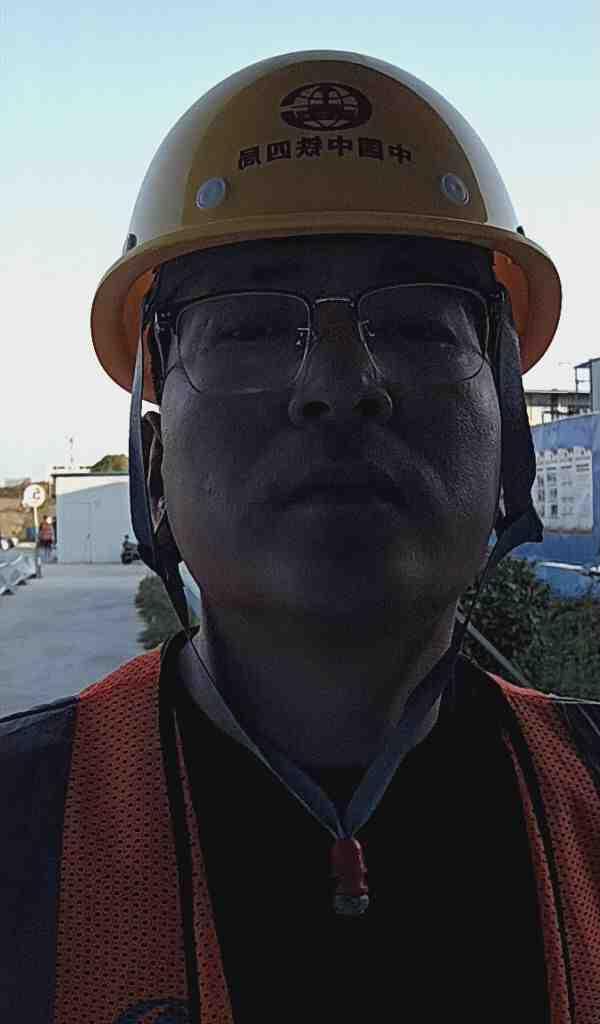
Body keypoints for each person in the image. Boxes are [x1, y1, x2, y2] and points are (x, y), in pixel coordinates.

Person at [2, 52, 599, 1023]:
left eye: (416, 323)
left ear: (508, 439)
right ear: (154, 464)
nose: (340, 382)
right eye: (247, 328)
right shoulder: (21, 825)